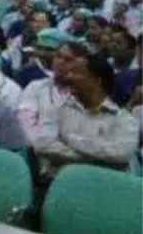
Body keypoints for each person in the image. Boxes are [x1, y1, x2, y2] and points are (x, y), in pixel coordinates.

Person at [32, 47, 139, 179]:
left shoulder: (124, 120)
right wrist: (95, 161)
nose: (69, 77)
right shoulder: (57, 107)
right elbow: (42, 144)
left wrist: (71, 140)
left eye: (76, 73)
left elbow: (120, 153)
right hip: (60, 182)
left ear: (97, 81)